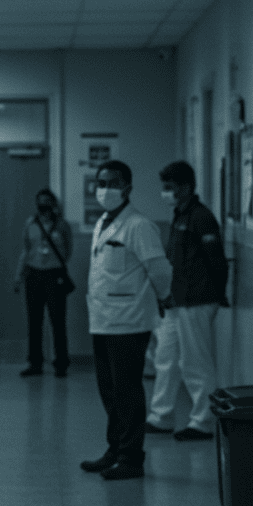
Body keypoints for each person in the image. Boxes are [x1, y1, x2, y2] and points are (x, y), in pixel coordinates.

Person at [81, 160, 172, 481]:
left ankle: (132, 457)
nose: (105, 189)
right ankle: (115, 449)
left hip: (130, 322)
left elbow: (160, 271)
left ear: (128, 187)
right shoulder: (103, 223)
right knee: (109, 390)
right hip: (103, 320)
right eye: (100, 182)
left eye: (113, 182)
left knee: (127, 390)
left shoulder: (139, 225)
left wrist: (163, 298)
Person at [145, 161, 228, 441]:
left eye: (169, 188)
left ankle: (203, 421)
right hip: (177, 301)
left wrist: (217, 294)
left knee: (195, 362)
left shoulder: (201, 217)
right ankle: (161, 416)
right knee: (165, 358)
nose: (165, 193)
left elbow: (216, 260)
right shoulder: (180, 216)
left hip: (197, 299)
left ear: (186, 187)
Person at [14, 188, 74, 377]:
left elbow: (68, 251)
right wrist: (19, 276)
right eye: (40, 200)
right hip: (33, 275)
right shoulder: (30, 224)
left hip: (54, 276)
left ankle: (61, 364)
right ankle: (35, 363)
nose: (43, 204)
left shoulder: (62, 225)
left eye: (47, 201)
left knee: (57, 321)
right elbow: (25, 251)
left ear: (53, 204)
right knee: (34, 322)